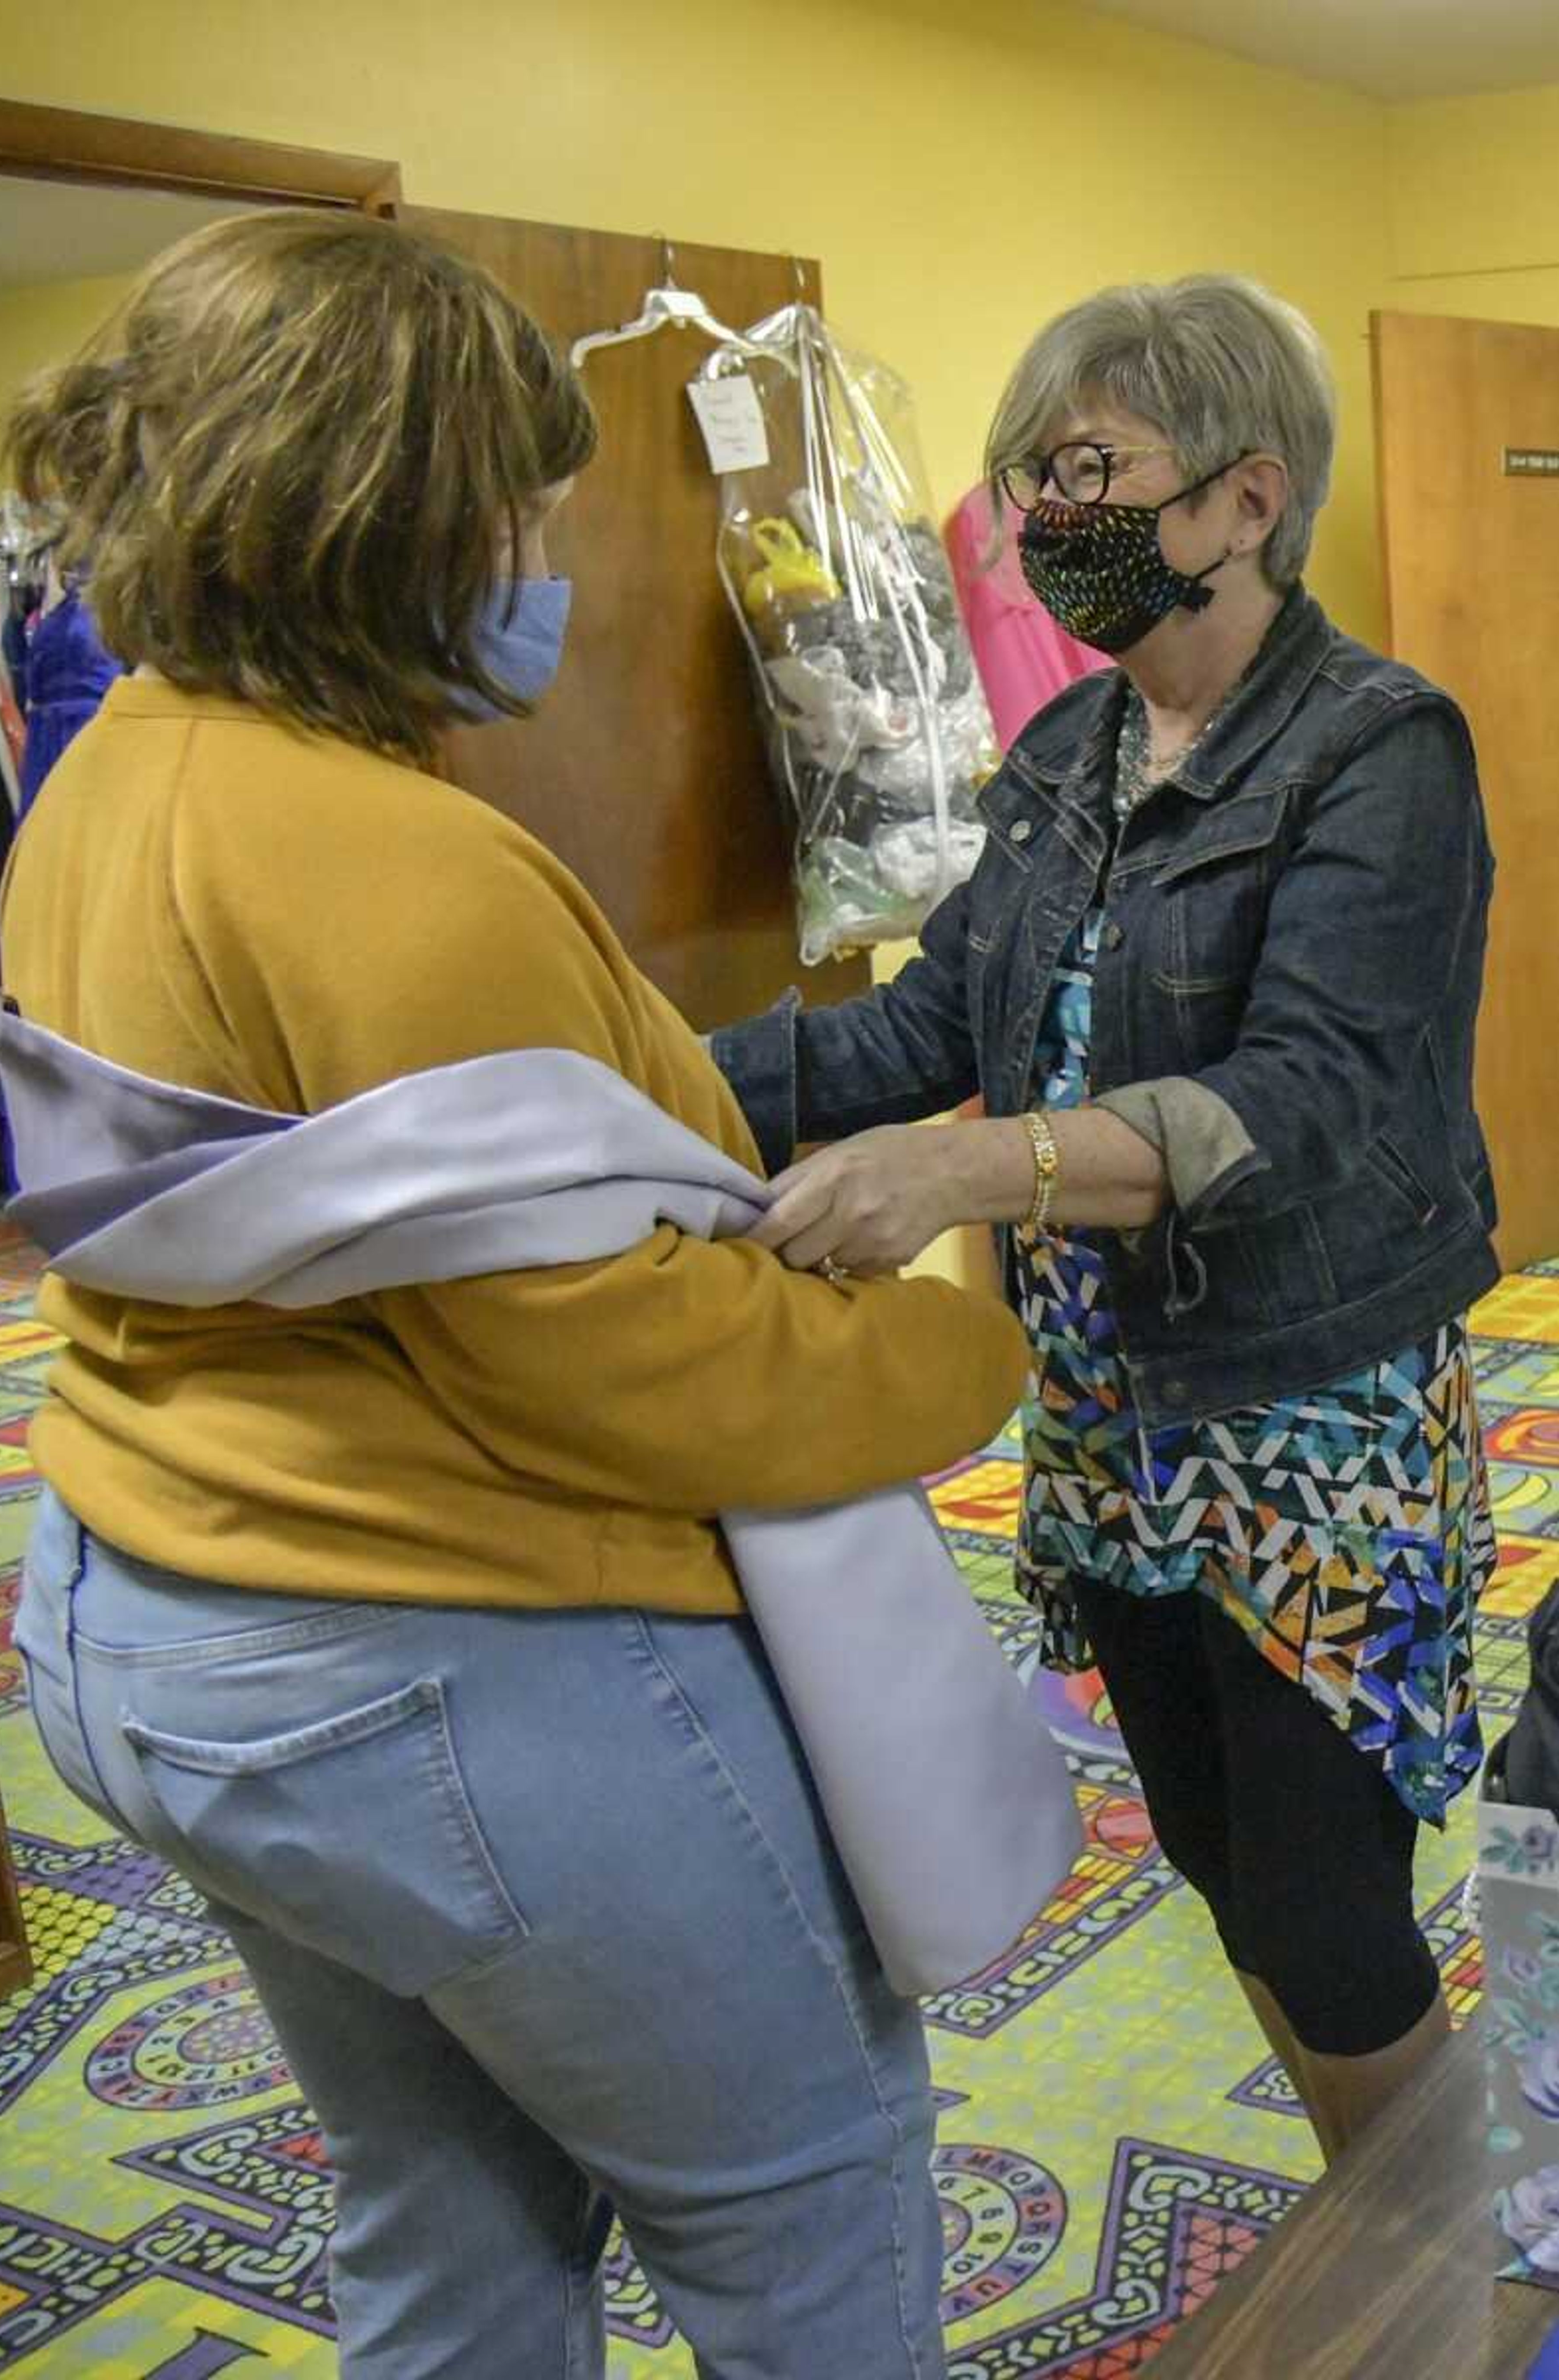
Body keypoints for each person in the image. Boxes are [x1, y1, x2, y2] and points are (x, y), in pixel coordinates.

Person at [0, 209, 1025, 2379]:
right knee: (805, 2192)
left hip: (152, 1598)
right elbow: (624, 1355)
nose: (545, 548)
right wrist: (963, 1346)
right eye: (520, 503)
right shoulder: (385, 858)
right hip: (438, 1659)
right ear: (385, 515)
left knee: (454, 2206)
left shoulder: (114, 773)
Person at [713, 273, 1498, 2164]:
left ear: (1249, 498)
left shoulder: (1378, 745)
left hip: (1307, 1421)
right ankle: (1366, 2200)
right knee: (1227, 1872)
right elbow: (930, 1018)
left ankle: (1439, 2264)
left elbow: (1307, 1095)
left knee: (1328, 1911)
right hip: (1111, 1421)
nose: (1039, 521)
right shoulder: (1065, 756)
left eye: (1086, 471)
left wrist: (973, 1168)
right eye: (1024, 479)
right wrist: (633, 1068)